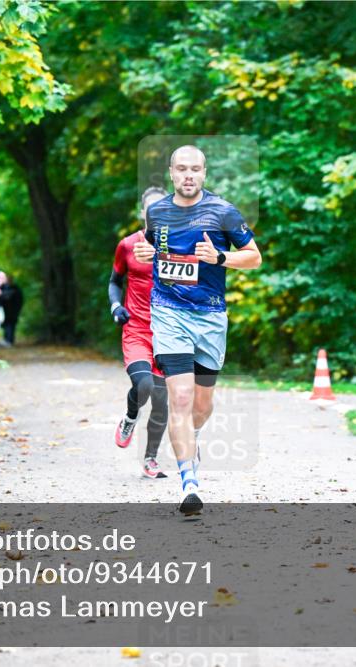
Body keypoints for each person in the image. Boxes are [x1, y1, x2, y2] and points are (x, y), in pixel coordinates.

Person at [134, 145, 262, 515]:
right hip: (168, 311)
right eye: (182, 169)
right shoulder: (157, 212)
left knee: (202, 406)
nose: (188, 175)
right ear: (171, 173)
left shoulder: (223, 212)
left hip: (209, 316)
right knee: (182, 399)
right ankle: (189, 482)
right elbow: (152, 250)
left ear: (204, 174)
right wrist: (146, 256)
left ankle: (194, 435)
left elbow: (254, 257)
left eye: (196, 169)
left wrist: (220, 258)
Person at [109, 186, 170, 479]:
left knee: (161, 399)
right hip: (136, 328)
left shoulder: (178, 246)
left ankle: (150, 459)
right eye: (151, 209)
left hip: (169, 331)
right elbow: (114, 281)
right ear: (142, 213)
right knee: (144, 385)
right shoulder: (127, 245)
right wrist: (115, 305)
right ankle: (131, 416)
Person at [1, 274, 23, 345]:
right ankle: (6, 339)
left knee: (12, 326)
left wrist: (18, 309)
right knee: (5, 325)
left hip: (13, 311)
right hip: (4, 311)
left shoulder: (16, 288)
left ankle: (10, 340)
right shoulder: (2, 288)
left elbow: (20, 300)